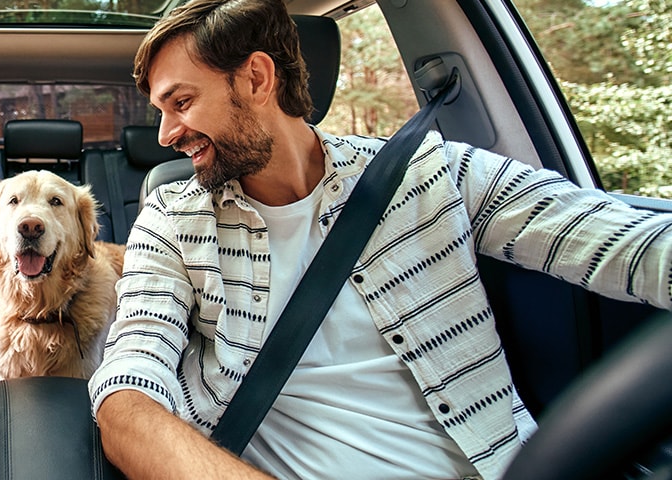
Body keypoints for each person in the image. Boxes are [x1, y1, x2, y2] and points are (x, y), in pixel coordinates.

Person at [87, 0, 672, 479]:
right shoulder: (172, 217)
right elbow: (128, 393)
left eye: (181, 103)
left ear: (257, 78)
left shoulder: (431, 173)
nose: (165, 134)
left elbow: (627, 244)